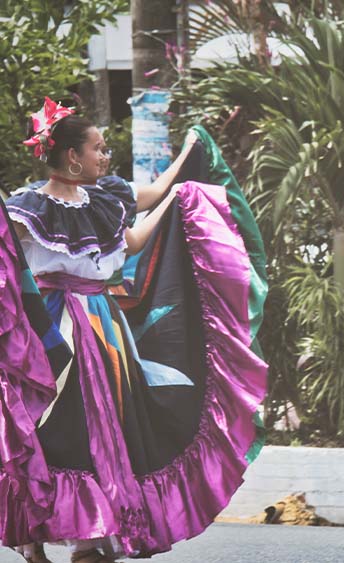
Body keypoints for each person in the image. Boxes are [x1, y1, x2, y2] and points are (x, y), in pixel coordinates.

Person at [1, 99, 267, 562]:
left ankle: (90, 534)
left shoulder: (107, 196)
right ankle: (35, 537)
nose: (105, 157)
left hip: (104, 328)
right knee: (53, 427)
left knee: (103, 428)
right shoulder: (26, 208)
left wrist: (185, 168)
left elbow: (139, 230)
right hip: (54, 330)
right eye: (98, 149)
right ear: (71, 157)